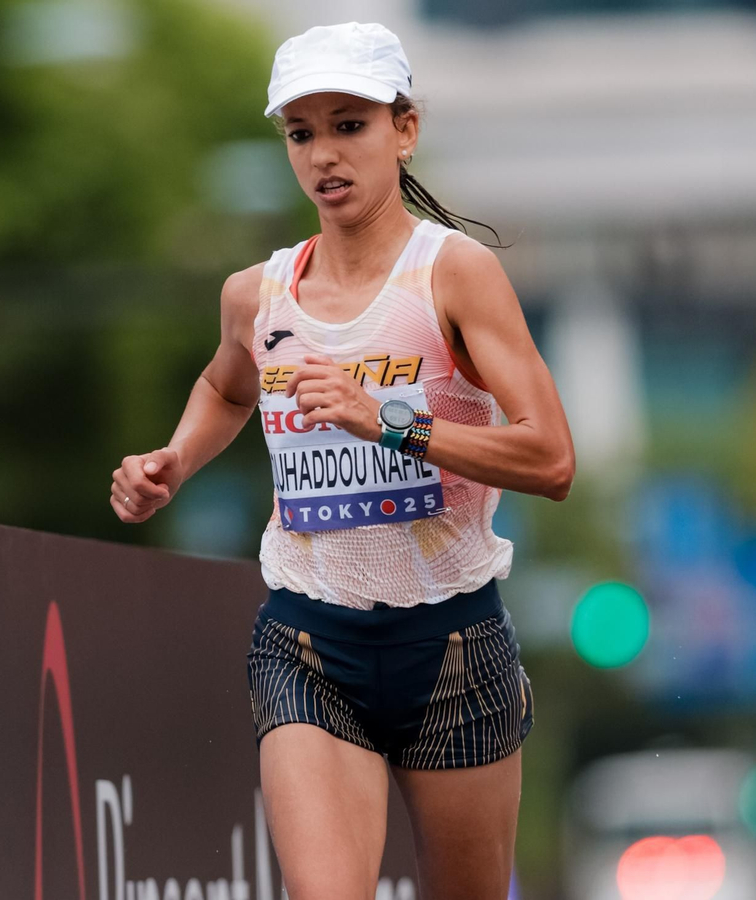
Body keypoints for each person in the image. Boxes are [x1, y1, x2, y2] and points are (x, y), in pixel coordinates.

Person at [109, 22, 575, 900]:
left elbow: (551, 458)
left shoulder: (454, 276)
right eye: (301, 132)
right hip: (309, 641)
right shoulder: (258, 293)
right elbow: (226, 386)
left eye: (349, 124)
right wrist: (173, 457)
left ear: (405, 128)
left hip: (452, 644)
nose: (325, 153)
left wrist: (391, 423)